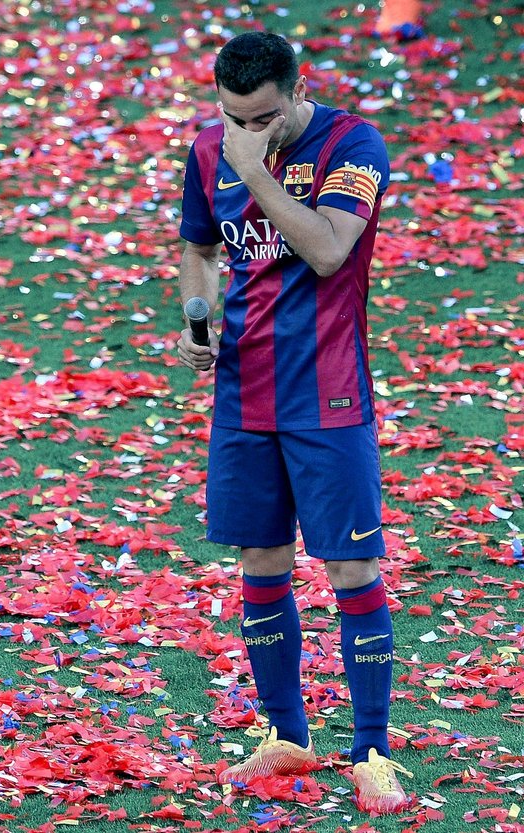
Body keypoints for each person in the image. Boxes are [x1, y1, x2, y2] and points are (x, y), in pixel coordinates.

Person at [175, 31, 411, 815]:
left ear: (297, 91)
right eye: (232, 116)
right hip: (244, 394)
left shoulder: (354, 144)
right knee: (261, 564)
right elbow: (199, 246)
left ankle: (373, 749)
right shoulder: (212, 149)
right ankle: (286, 732)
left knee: (351, 570)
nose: (245, 131)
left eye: (264, 118)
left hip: (329, 395)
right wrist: (194, 318)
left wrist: (256, 173)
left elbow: (328, 251)